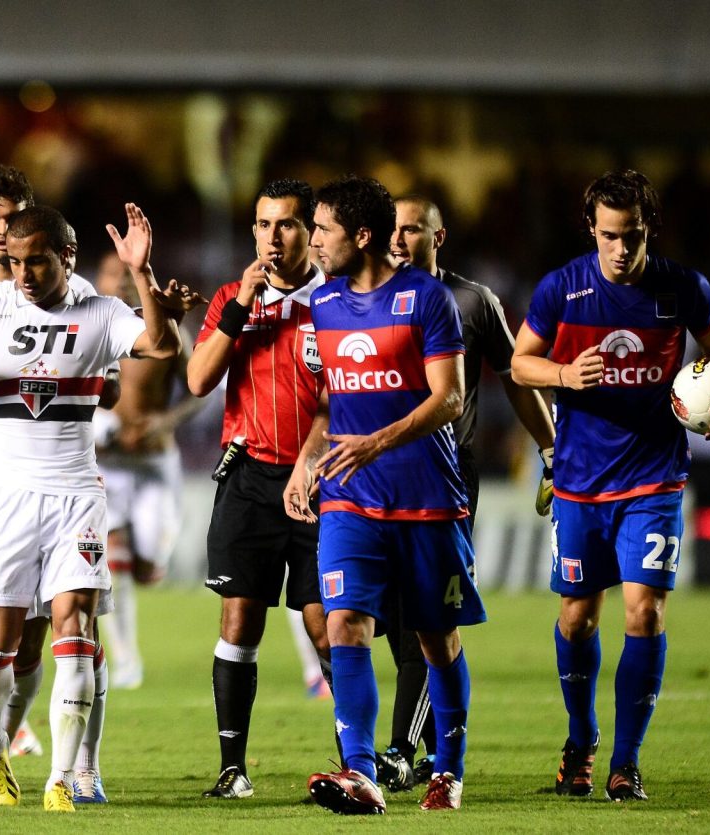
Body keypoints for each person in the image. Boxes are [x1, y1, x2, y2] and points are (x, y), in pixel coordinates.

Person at [0, 202, 179, 813]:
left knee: (75, 626)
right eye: (13, 261)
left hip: (75, 495)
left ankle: (68, 777)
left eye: (35, 261)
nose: (22, 273)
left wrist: (142, 272)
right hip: (2, 502)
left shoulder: (99, 313)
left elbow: (162, 343)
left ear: (66, 258)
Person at [510, 169, 710, 802]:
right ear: (591, 232)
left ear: (649, 230)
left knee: (644, 611)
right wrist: (565, 375)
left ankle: (627, 763)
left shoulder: (682, 288)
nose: (620, 251)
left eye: (632, 237)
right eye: (609, 237)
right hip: (579, 480)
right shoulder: (561, 290)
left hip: (654, 478)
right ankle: (581, 740)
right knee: (576, 619)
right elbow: (519, 364)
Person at [286, 175, 485, 814]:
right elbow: (327, 399)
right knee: (344, 623)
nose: (314, 243)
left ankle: (448, 771)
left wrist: (376, 441)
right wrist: (308, 461)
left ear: (362, 237)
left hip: (427, 498)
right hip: (350, 497)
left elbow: (449, 399)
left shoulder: (427, 300)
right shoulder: (324, 306)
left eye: (323, 231)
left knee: (435, 639)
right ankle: (361, 771)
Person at [371, 195, 557, 791]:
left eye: (411, 230)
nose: (398, 239)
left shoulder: (473, 301)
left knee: (423, 617)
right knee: (380, 616)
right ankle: (426, 747)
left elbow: (517, 377)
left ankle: (399, 749)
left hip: (446, 473)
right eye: (391, 229)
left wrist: (551, 449)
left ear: (438, 235)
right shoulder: (362, 300)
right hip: (374, 475)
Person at [186, 179, 330, 800]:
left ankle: (357, 757)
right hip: (247, 479)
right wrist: (243, 305)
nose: (275, 236)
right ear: (253, 231)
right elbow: (197, 380)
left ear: (310, 232)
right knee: (239, 621)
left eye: (288, 224)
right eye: (264, 224)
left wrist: (312, 461)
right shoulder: (230, 299)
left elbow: (340, 401)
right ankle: (232, 767)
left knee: (327, 625)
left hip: (322, 482)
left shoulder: (338, 303)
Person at [93, 251, 205, 690]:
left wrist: (164, 421)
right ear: (98, 279)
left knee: (149, 566)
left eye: (127, 274)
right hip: (107, 466)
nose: (119, 282)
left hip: (156, 464)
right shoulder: (85, 324)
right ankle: (126, 662)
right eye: (111, 273)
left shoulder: (165, 328)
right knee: (111, 555)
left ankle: (148, 566)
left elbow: (200, 387)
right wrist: (99, 427)